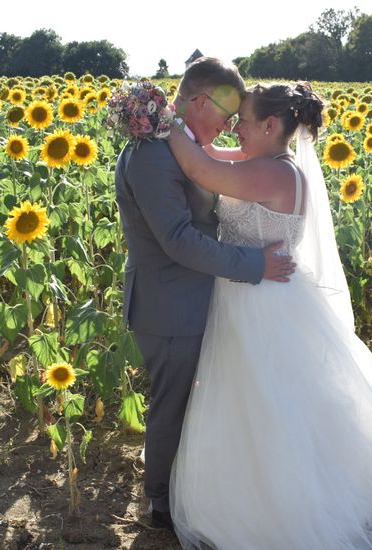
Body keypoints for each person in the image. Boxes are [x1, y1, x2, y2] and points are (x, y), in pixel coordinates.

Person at [164, 82, 372, 549]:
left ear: (271, 125)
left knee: (270, 407)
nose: (235, 126)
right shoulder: (266, 164)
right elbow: (212, 151)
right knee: (260, 404)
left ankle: (287, 510)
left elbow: (199, 166)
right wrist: (191, 125)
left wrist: (158, 117)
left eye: (243, 119)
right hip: (254, 297)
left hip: (262, 305)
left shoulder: (275, 176)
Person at [113, 57, 296, 530]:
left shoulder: (180, 146)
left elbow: (211, 180)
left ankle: (187, 490)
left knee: (195, 404)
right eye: (226, 114)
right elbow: (178, 240)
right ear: (197, 102)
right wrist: (255, 264)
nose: (232, 125)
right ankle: (160, 505)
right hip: (170, 306)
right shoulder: (153, 154)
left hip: (192, 300)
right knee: (171, 407)